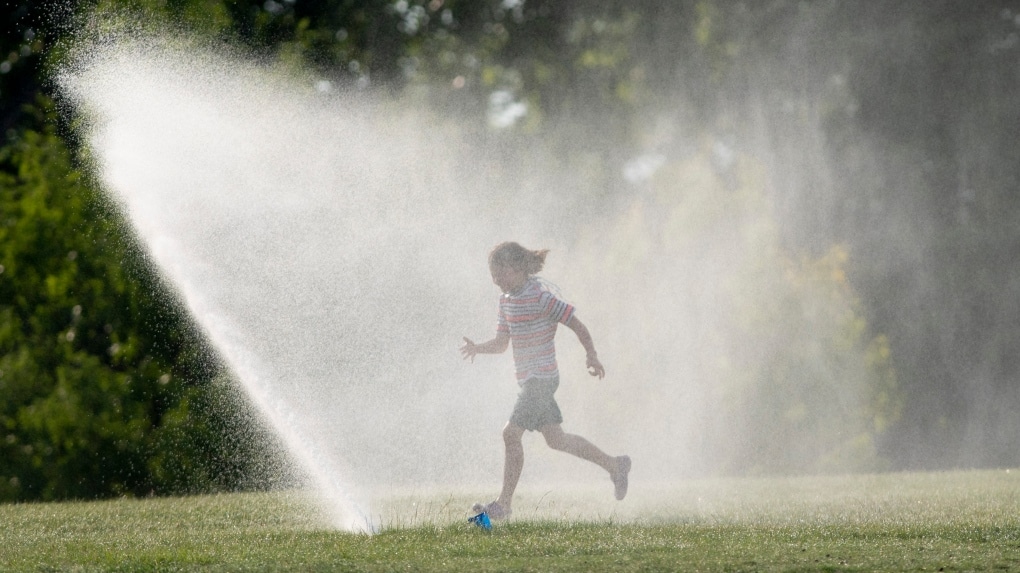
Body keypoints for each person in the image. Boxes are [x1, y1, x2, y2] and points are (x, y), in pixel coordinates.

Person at [460, 241, 631, 520]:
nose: (496, 282)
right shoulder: (505, 301)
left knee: (510, 434)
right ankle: (615, 466)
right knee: (557, 440)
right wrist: (478, 347)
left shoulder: (540, 296)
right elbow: (503, 343)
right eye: (493, 277)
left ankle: (503, 506)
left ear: (517, 269)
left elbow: (576, 323)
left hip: (542, 380)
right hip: (529, 382)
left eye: (500, 275)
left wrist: (592, 355)